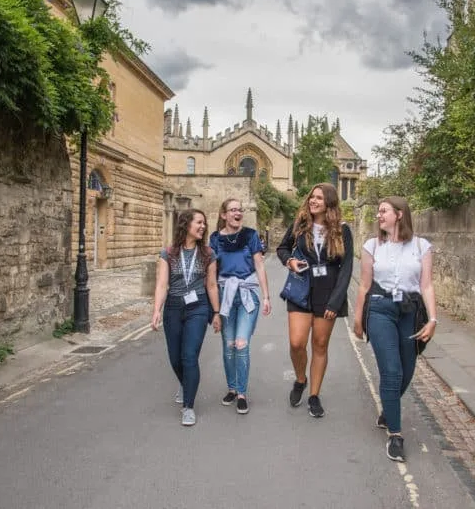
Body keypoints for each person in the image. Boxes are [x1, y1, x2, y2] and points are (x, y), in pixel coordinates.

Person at [352, 196, 437, 462]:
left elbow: (426, 285)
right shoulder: (372, 246)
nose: (379, 215)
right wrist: (358, 318)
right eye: (377, 211)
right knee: (392, 370)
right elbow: (364, 285)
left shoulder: (421, 246)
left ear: (399, 214)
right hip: (379, 309)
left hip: (410, 312)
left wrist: (433, 320)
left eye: (384, 211)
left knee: (407, 373)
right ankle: (395, 435)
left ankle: (388, 410)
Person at [276, 183, 353, 418]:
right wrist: (289, 261)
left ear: (329, 202)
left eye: (319, 198)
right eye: (312, 197)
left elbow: (347, 267)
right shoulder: (300, 224)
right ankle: (301, 379)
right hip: (301, 288)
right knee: (297, 343)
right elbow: (282, 248)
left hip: (328, 293)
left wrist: (335, 302)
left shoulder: (342, 229)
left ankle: (314, 395)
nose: (313, 201)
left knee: (320, 345)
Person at [151, 209, 221, 427]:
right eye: (198, 222)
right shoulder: (168, 253)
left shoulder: (208, 254)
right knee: (175, 358)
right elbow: (162, 284)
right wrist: (156, 310)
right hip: (173, 307)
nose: (202, 226)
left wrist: (217, 313)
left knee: (189, 356)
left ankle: (188, 407)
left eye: (204, 223)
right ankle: (186, 383)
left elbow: (211, 284)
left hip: (198, 307)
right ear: (186, 225)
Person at [209, 198, 271, 415]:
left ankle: (242, 393)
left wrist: (265, 296)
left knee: (241, 343)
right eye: (232, 210)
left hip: (247, 294)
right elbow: (212, 272)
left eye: (240, 210)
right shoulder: (215, 238)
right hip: (225, 294)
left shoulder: (251, 235)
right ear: (224, 215)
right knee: (228, 345)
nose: (237, 213)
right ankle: (232, 388)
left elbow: (259, 265)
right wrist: (213, 307)